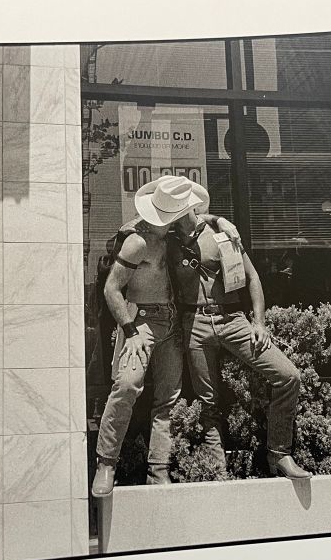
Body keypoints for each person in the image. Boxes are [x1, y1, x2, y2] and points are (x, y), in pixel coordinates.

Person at [91, 176, 240, 497]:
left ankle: (158, 474)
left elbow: (201, 220)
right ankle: (106, 463)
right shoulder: (136, 240)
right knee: (127, 386)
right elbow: (111, 289)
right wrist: (129, 331)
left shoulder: (171, 234)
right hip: (140, 321)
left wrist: (219, 219)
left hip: (171, 320)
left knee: (167, 400)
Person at [168, 186, 311, 481]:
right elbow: (129, 228)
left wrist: (258, 323)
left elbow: (251, 277)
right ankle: (218, 473)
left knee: (288, 375)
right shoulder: (167, 242)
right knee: (209, 404)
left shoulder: (220, 235)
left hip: (232, 319)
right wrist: (217, 217)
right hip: (193, 324)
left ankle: (280, 454)